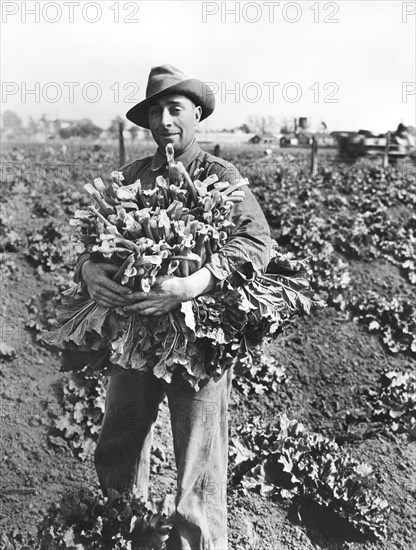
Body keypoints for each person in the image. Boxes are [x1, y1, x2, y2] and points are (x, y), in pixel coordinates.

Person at [75, 64, 273, 550]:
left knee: (199, 467)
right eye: (156, 111)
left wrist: (191, 285)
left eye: (175, 109)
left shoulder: (221, 177)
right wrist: (88, 270)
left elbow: (255, 243)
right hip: (133, 337)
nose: (164, 120)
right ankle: (128, 534)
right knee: (119, 446)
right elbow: (91, 242)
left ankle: (197, 544)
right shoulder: (130, 177)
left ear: (197, 115)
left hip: (199, 340)